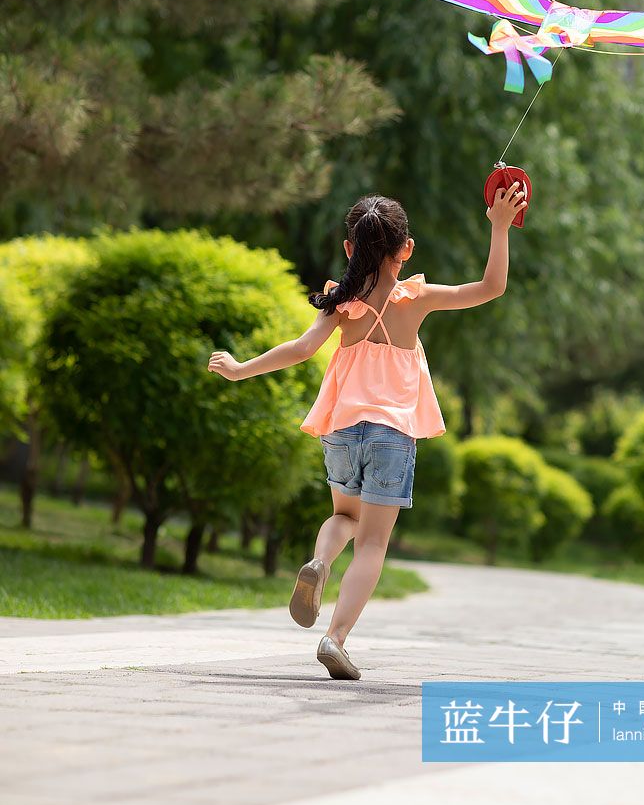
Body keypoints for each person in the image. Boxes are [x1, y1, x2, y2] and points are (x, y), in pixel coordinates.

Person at [207, 182, 527, 680]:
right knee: (373, 544)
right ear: (407, 250)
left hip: (342, 429)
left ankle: (318, 562)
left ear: (349, 248)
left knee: (342, 517)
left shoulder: (339, 302)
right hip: (392, 435)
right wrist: (500, 228)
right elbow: (490, 287)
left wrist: (239, 367)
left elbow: (300, 349)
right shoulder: (413, 301)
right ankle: (334, 638)